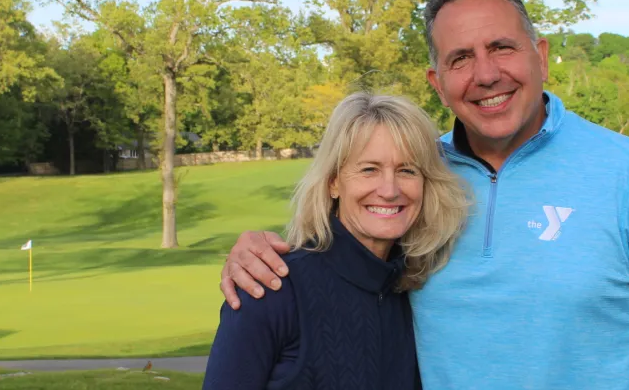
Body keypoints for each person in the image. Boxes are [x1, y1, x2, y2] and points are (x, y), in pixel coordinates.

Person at [219, 0, 629, 389]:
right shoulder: (419, 176)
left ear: (541, 56)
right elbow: (346, 254)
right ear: (437, 82)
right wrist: (257, 248)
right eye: (460, 58)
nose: (485, 74)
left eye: (501, 47)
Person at [202, 92, 473, 389]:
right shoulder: (270, 287)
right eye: (369, 169)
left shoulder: (413, 296)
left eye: (407, 170)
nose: (389, 189)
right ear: (333, 182)